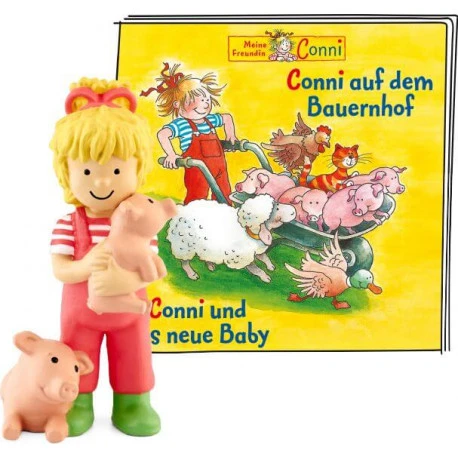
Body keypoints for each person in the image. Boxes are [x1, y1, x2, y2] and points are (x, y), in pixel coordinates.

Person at [50, 77, 159, 437]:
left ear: (137, 169)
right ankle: (77, 402)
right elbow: (60, 269)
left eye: (115, 170)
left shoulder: (141, 221)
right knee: (77, 358)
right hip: (81, 316)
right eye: (87, 171)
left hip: (130, 313)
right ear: (66, 172)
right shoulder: (69, 224)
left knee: (135, 357)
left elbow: (150, 267)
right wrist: (83, 266)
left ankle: (133, 403)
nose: (101, 182)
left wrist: (125, 279)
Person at [148, 63, 237, 205]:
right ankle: (192, 217)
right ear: (178, 104)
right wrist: (171, 154)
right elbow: (163, 134)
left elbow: (227, 118)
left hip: (219, 169)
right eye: (199, 100)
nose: (205, 103)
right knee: (196, 198)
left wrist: (230, 135)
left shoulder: (210, 120)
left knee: (224, 195)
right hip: (197, 170)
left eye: (207, 99)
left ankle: (224, 214)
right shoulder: (182, 124)